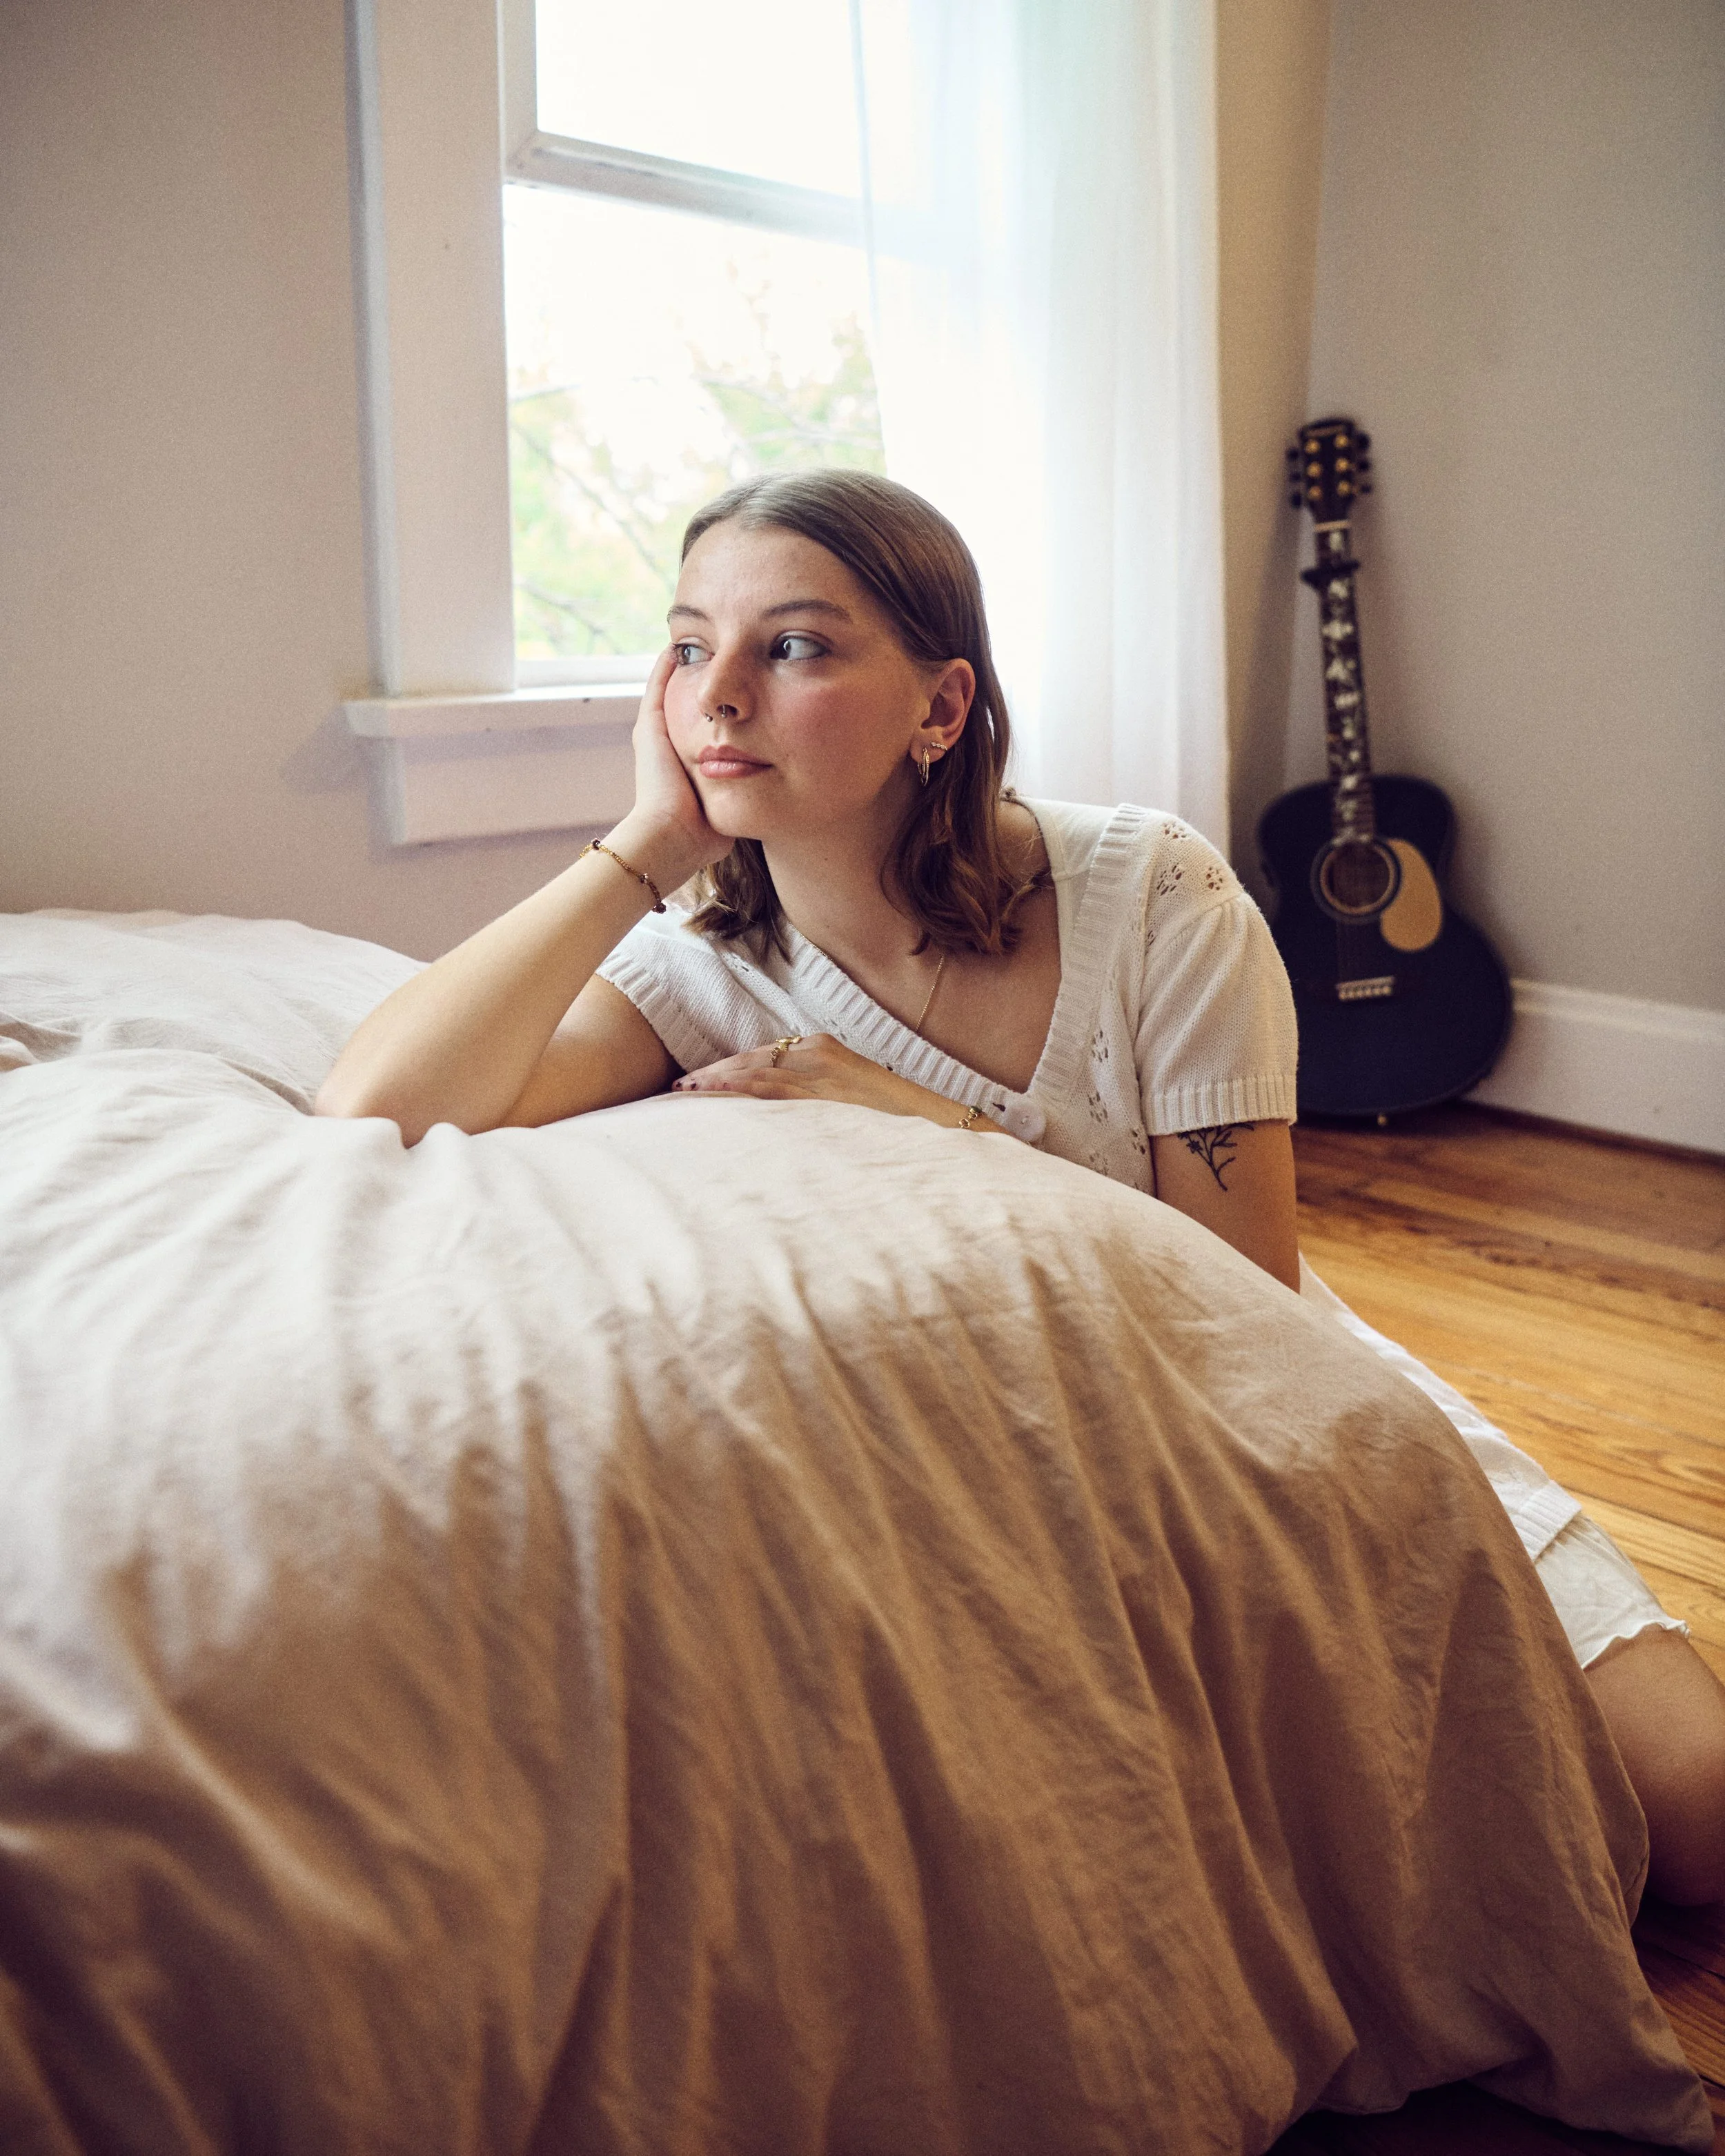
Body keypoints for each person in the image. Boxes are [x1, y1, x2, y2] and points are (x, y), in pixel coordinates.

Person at [317, 469, 1725, 1905]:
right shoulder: (702, 973)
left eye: (792, 644)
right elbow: (379, 1103)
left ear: (939, 707)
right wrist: (646, 846)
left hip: (1275, 1413)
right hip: (1008, 1493)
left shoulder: (1151, 896)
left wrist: (929, 1120)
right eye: (688, 646)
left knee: (1688, 1809)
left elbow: (1244, 1305)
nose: (718, 695)